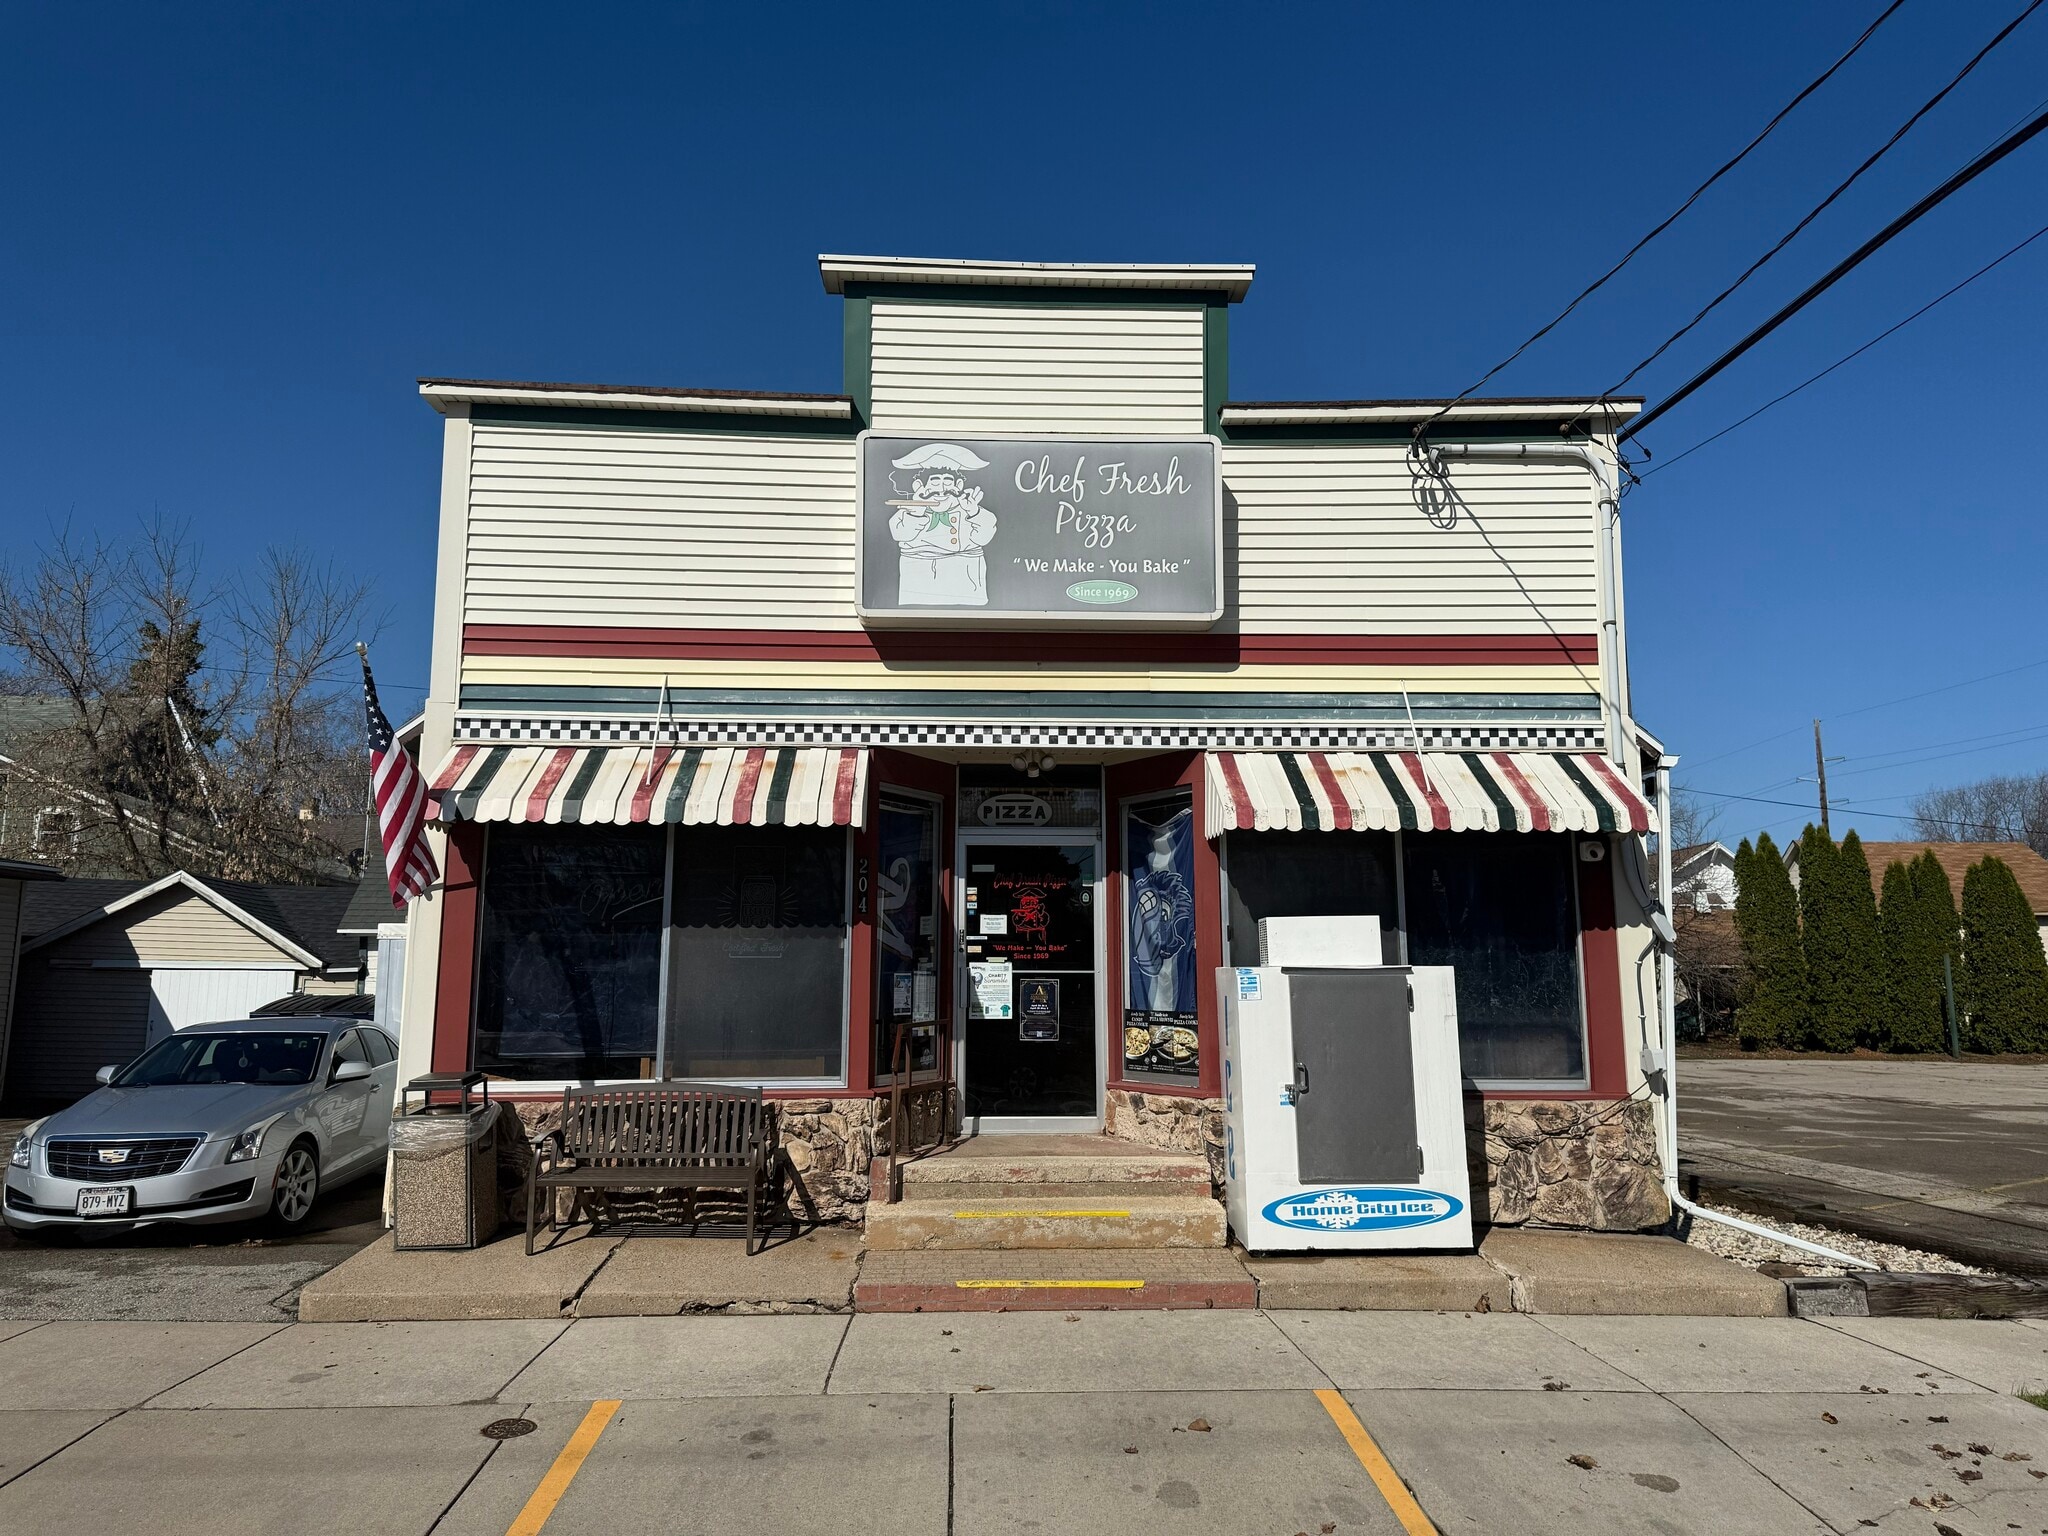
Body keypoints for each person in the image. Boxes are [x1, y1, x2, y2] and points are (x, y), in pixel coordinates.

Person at [887, 442, 998, 606]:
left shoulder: (969, 509)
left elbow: (985, 536)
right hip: (919, 582)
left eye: (948, 481)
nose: (941, 488)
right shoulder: (910, 510)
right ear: (920, 486)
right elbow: (899, 534)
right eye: (934, 481)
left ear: (958, 485)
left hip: (965, 581)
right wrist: (916, 513)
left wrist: (974, 512)